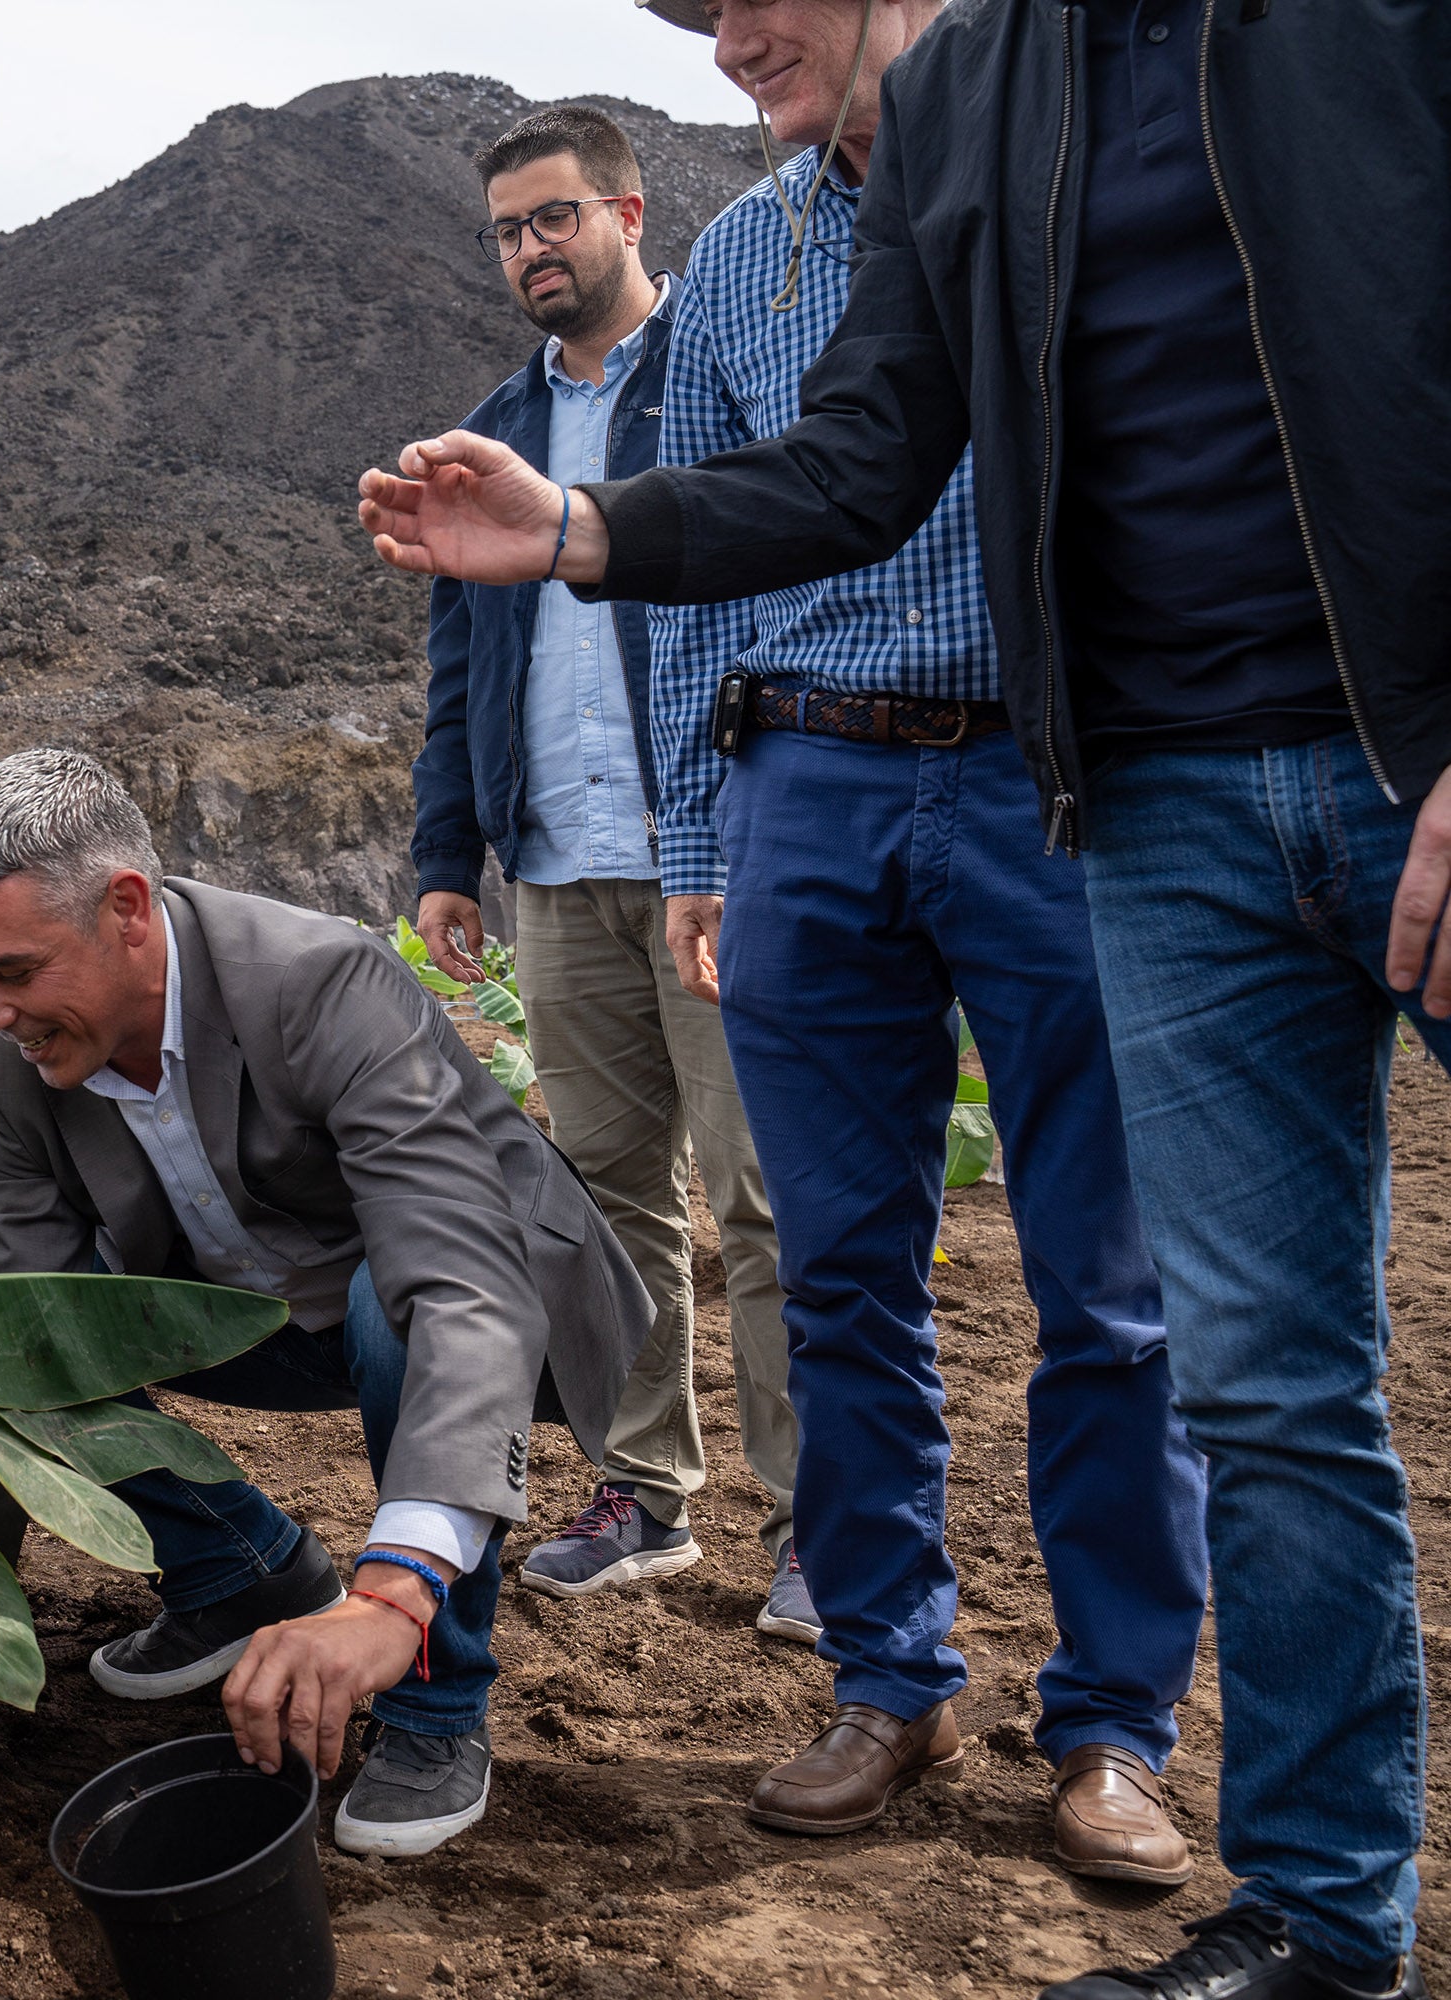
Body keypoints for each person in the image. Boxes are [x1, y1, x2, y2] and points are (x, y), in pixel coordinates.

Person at [370, 0, 1442, 1989]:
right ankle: (980, 1726)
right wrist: (634, 643)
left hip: (1201, 765)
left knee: (1122, 1298)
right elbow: (812, 489)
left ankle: (1119, 1725)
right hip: (972, 786)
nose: (728, 38)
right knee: (975, 1300)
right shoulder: (877, 175)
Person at [0, 749, 647, 1857]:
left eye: (12, 968)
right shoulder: (12, 1058)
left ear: (126, 908)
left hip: (465, 1309)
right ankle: (239, 1567)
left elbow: (458, 1275)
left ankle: (435, 1702)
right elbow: (23, 1322)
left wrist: (392, 1592)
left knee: (390, 1302)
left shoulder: (320, 981)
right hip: (237, 1310)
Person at [410, 106, 803, 1635]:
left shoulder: (710, 393)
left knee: (771, 1201)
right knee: (610, 1193)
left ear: (631, 213)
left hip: (725, 847)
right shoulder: (492, 431)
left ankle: (815, 1521)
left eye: (554, 218)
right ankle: (647, 1489)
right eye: (508, 229)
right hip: (562, 869)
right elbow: (459, 661)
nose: (530, 250)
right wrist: (453, 852)